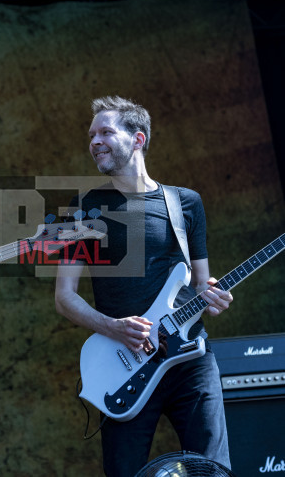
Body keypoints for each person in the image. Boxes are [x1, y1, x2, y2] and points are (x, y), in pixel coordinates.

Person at [54, 95, 233, 476]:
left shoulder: (184, 203)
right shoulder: (83, 206)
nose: (94, 141)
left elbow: (201, 283)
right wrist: (114, 327)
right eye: (91, 135)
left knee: (212, 470)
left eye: (105, 132)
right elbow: (65, 297)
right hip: (127, 364)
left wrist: (213, 296)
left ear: (138, 139)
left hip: (189, 361)